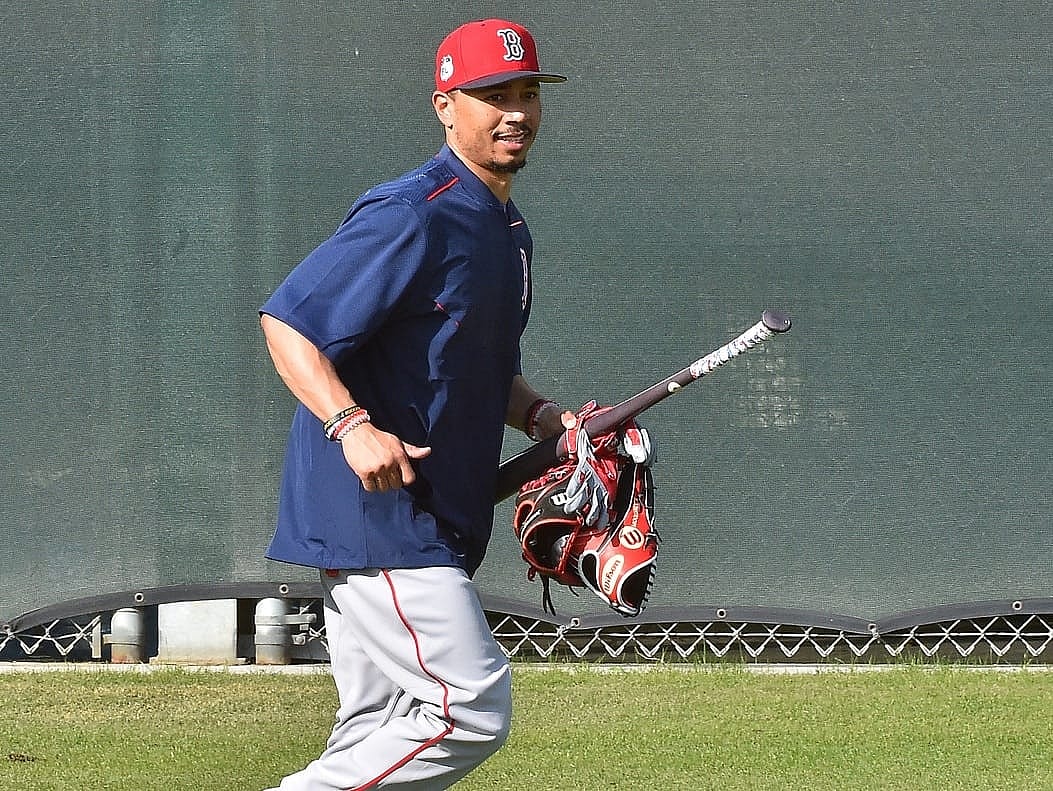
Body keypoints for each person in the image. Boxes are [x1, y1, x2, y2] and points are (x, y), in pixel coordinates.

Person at [259, 19, 572, 790]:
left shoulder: (507, 227)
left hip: (429, 512)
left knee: (381, 726)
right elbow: (289, 322)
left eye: (526, 92)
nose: (514, 111)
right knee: (468, 707)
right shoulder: (413, 210)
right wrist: (350, 423)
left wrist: (543, 418)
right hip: (381, 513)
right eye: (490, 94)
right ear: (445, 105)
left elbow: (474, 367)